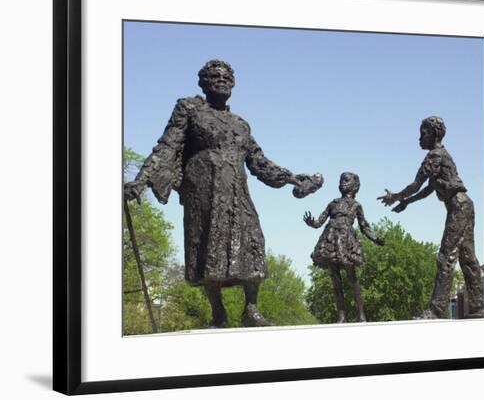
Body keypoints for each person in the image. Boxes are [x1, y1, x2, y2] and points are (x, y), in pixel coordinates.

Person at [124, 59, 322, 328]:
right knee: (208, 246)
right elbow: (167, 146)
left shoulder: (240, 124)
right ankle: (218, 311)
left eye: (227, 78)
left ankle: (250, 308)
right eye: (215, 77)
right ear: (203, 83)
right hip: (203, 191)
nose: (222, 81)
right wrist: (141, 180)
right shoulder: (190, 109)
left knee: (253, 241)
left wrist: (292, 178)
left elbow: (259, 161)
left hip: (237, 191)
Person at [378, 116, 484, 319]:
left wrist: (395, 196)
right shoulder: (441, 156)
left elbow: (416, 185)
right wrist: (406, 203)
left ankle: (436, 310)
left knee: (446, 256)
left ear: (434, 134)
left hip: (458, 208)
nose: (420, 137)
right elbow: (428, 189)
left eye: (423, 132)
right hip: (465, 206)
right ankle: (478, 307)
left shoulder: (435, 156)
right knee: (468, 258)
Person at [304, 172, 384, 323]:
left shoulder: (356, 205)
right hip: (330, 240)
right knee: (335, 280)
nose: (342, 183)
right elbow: (319, 222)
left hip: (346, 241)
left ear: (354, 185)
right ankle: (341, 316)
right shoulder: (332, 203)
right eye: (341, 181)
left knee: (352, 279)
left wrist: (376, 239)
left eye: (346, 181)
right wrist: (311, 222)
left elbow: (364, 227)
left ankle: (361, 315)